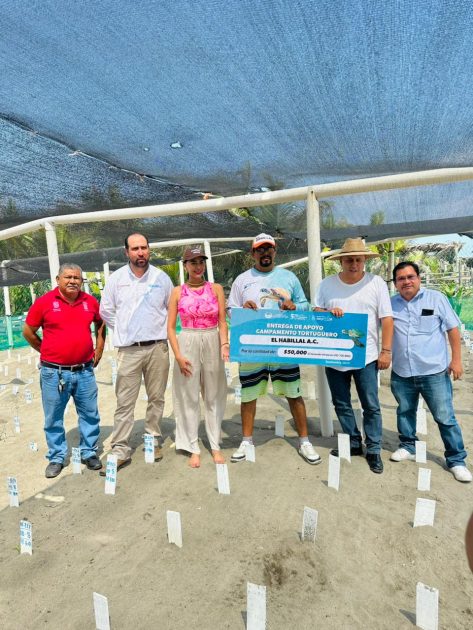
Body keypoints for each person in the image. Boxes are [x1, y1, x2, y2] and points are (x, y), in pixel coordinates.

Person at [227, 233, 321, 465]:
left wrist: (294, 306)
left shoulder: (288, 277)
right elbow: (230, 310)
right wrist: (242, 308)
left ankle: (304, 441)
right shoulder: (242, 280)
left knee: (294, 394)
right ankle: (246, 441)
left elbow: (305, 305)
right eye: (260, 249)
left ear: (275, 251)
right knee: (248, 395)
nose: (265, 253)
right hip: (252, 348)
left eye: (269, 248)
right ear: (253, 253)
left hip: (284, 347)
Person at [314, 238, 393, 474]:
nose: (354, 264)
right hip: (334, 354)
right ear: (341, 261)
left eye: (358, 259)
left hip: (366, 356)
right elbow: (316, 311)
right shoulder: (327, 285)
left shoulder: (376, 283)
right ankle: (353, 441)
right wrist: (327, 312)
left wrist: (386, 351)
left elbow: (387, 319)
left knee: (371, 404)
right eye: (349, 260)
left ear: (365, 260)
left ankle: (374, 448)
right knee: (341, 402)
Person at [389, 261, 472, 482]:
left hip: (433, 371)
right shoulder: (390, 304)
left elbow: (453, 329)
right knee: (405, 411)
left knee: (445, 417)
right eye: (401, 279)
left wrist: (456, 360)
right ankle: (408, 445)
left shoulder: (436, 299)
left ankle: (456, 460)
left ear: (418, 278)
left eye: (410, 277)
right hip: (402, 371)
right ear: (395, 283)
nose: (406, 282)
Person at [99, 233, 173, 471]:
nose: (140, 252)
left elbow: (171, 309)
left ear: (149, 250)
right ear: (126, 252)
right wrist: (125, 330)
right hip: (129, 351)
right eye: (135, 249)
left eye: (144, 247)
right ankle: (120, 449)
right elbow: (106, 311)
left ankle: (152, 439)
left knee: (156, 397)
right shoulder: (116, 279)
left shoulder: (162, 278)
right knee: (124, 401)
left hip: (158, 348)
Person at [23, 264, 105, 478]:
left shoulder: (90, 302)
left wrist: (99, 347)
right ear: (58, 279)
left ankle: (89, 452)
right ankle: (57, 457)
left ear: (81, 281)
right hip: (53, 373)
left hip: (84, 371)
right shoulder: (44, 302)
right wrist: (45, 350)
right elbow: (28, 331)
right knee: (53, 417)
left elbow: (100, 323)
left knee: (90, 414)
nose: (72, 281)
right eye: (68, 277)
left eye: (77, 278)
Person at [167, 245, 228, 467]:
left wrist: (224, 344)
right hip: (188, 340)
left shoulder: (216, 289)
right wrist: (178, 355)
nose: (198, 266)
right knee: (188, 395)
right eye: (193, 262)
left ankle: (215, 444)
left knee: (214, 394)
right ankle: (193, 445)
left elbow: (222, 321)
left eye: (201, 262)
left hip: (212, 338)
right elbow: (170, 327)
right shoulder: (177, 291)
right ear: (185, 265)